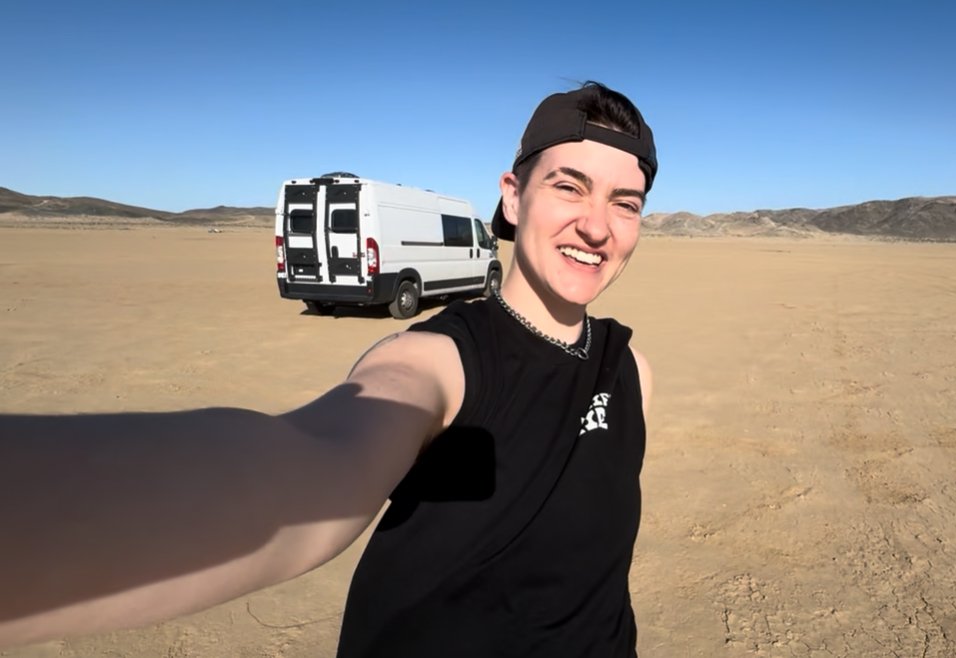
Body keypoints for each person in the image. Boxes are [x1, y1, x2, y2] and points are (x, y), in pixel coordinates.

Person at [0, 81, 658, 657]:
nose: (596, 226)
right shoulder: (440, 362)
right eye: (568, 187)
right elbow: (316, 461)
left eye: (624, 203)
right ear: (512, 199)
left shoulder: (630, 370)